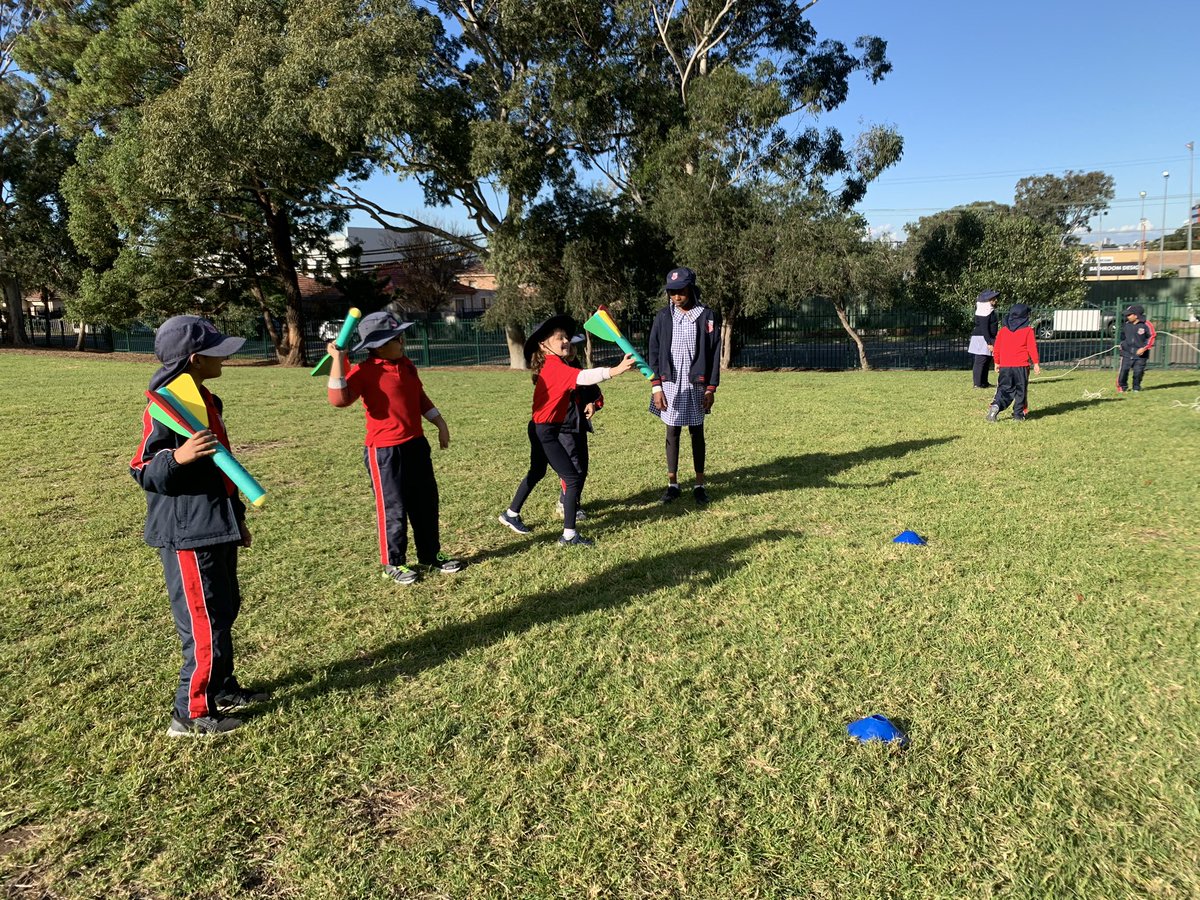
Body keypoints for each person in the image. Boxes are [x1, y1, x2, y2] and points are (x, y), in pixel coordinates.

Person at [130, 316, 266, 737]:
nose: (225, 358)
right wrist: (179, 457)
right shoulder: (165, 406)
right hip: (188, 534)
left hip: (216, 523)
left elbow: (222, 471)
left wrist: (236, 520)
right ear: (194, 359)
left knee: (223, 610)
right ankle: (190, 713)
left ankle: (221, 687)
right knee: (203, 623)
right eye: (216, 352)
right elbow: (142, 469)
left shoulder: (206, 400)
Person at [326, 312, 463, 585]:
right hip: (385, 452)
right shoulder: (365, 371)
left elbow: (419, 397)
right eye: (395, 338)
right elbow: (338, 399)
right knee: (394, 508)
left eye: (401, 336)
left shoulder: (407, 365)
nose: (402, 341)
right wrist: (338, 361)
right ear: (377, 346)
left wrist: (440, 422)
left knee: (426, 503)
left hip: (416, 445)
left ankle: (430, 554)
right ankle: (393, 562)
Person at [498, 315, 636, 546]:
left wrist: (595, 399)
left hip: (539, 427)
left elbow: (582, 381)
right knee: (572, 479)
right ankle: (569, 535)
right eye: (559, 338)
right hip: (546, 431)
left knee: (537, 471)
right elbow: (584, 377)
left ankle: (511, 514)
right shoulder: (555, 367)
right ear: (544, 345)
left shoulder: (555, 364)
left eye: (566, 337)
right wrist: (616, 370)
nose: (566, 341)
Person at [648, 267, 721, 504]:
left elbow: (714, 353)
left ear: (691, 289)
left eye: (681, 291)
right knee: (672, 431)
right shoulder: (663, 317)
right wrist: (656, 386)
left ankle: (699, 485)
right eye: (672, 292)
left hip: (696, 384)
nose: (676, 296)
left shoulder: (706, 316)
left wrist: (710, 387)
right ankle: (673, 484)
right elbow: (654, 352)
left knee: (696, 431)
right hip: (669, 382)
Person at [555, 333, 603, 520]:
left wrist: (592, 404)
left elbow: (596, 394)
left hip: (579, 425)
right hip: (562, 428)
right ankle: (566, 505)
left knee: (582, 466)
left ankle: (572, 501)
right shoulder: (556, 370)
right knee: (572, 467)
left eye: (574, 347)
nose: (571, 350)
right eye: (568, 346)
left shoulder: (578, 369)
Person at [986, 302, 1042, 423]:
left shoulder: (1003, 331)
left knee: (1004, 389)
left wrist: (997, 362)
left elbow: (997, 348)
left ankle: (996, 405)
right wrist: (1036, 363)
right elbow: (1032, 348)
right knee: (1020, 390)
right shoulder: (1028, 330)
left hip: (1005, 366)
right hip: (1021, 366)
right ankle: (1018, 415)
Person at [1117, 304, 1156, 393]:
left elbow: (1152, 336)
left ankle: (1136, 388)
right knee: (1123, 371)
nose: (1127, 317)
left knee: (1138, 372)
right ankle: (1122, 387)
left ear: (1136, 315)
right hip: (1126, 353)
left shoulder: (1146, 325)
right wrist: (1122, 344)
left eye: (1129, 315)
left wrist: (1144, 348)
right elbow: (1122, 336)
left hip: (1140, 355)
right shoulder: (1126, 324)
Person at [968, 289, 999, 388]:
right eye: (993, 298)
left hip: (987, 337)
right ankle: (977, 383)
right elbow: (984, 328)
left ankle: (984, 382)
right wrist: (989, 342)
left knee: (987, 360)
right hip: (982, 338)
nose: (995, 300)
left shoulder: (989, 310)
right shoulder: (983, 311)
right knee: (980, 360)